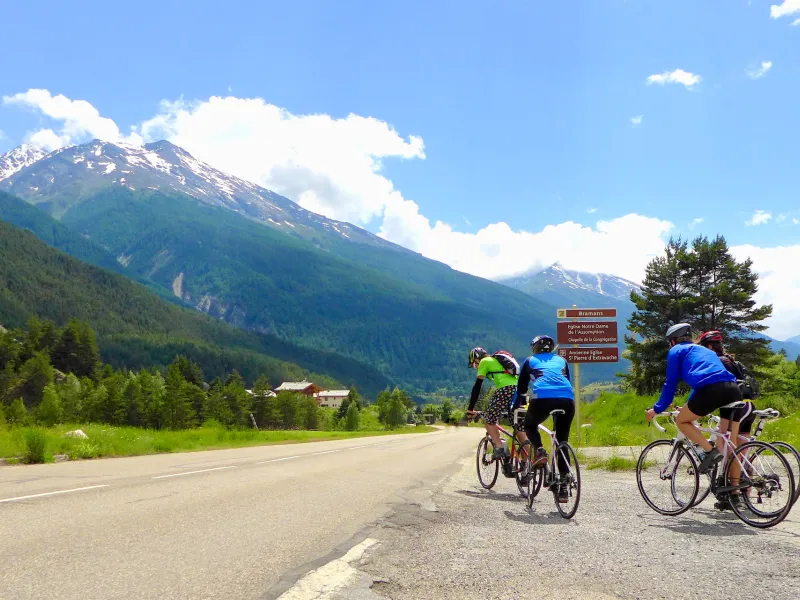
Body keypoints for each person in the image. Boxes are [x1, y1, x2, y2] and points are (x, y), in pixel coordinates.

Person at [645, 324, 743, 476]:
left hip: (711, 390)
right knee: (731, 443)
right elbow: (701, 385)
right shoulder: (705, 350)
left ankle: (710, 452)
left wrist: (657, 409)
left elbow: (670, 384)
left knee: (682, 421)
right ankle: (734, 492)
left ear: (673, 341)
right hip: (733, 389)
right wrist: (687, 405)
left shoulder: (676, 351)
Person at [697, 330, 756, 508]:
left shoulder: (717, 362)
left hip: (733, 407)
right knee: (737, 452)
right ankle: (734, 493)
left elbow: (714, 390)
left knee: (724, 448)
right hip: (749, 408)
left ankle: (734, 494)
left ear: (708, 346)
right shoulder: (731, 360)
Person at [517, 335, 574, 503]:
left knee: (529, 424)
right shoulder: (562, 360)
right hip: (567, 399)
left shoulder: (530, 360)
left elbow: (521, 390)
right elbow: (566, 381)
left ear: (534, 348)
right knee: (562, 440)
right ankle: (563, 487)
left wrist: (515, 406)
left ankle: (540, 450)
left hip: (542, 399)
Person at [466, 347, 528, 471]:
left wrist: (470, 408)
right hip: (520, 392)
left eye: (474, 364)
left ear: (477, 359)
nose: (475, 367)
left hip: (506, 391)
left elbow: (477, 387)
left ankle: (499, 448)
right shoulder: (497, 362)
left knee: (489, 420)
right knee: (519, 428)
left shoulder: (485, 361)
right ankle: (527, 465)